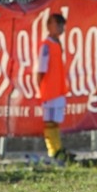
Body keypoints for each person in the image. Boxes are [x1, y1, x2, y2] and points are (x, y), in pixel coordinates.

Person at [35, 13, 76, 164]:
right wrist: (42, 88)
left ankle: (58, 149)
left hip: (58, 90)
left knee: (55, 121)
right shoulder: (46, 45)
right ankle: (53, 151)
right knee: (49, 121)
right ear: (50, 25)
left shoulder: (57, 43)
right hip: (50, 90)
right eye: (58, 24)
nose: (60, 28)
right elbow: (41, 69)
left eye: (61, 25)